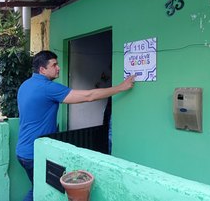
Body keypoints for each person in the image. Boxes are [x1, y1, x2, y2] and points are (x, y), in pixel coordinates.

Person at [16, 50, 135, 201]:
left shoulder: (25, 86)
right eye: (54, 65)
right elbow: (88, 96)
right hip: (35, 152)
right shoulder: (48, 88)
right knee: (45, 191)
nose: (58, 68)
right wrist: (121, 87)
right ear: (42, 69)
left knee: (37, 188)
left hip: (22, 151)